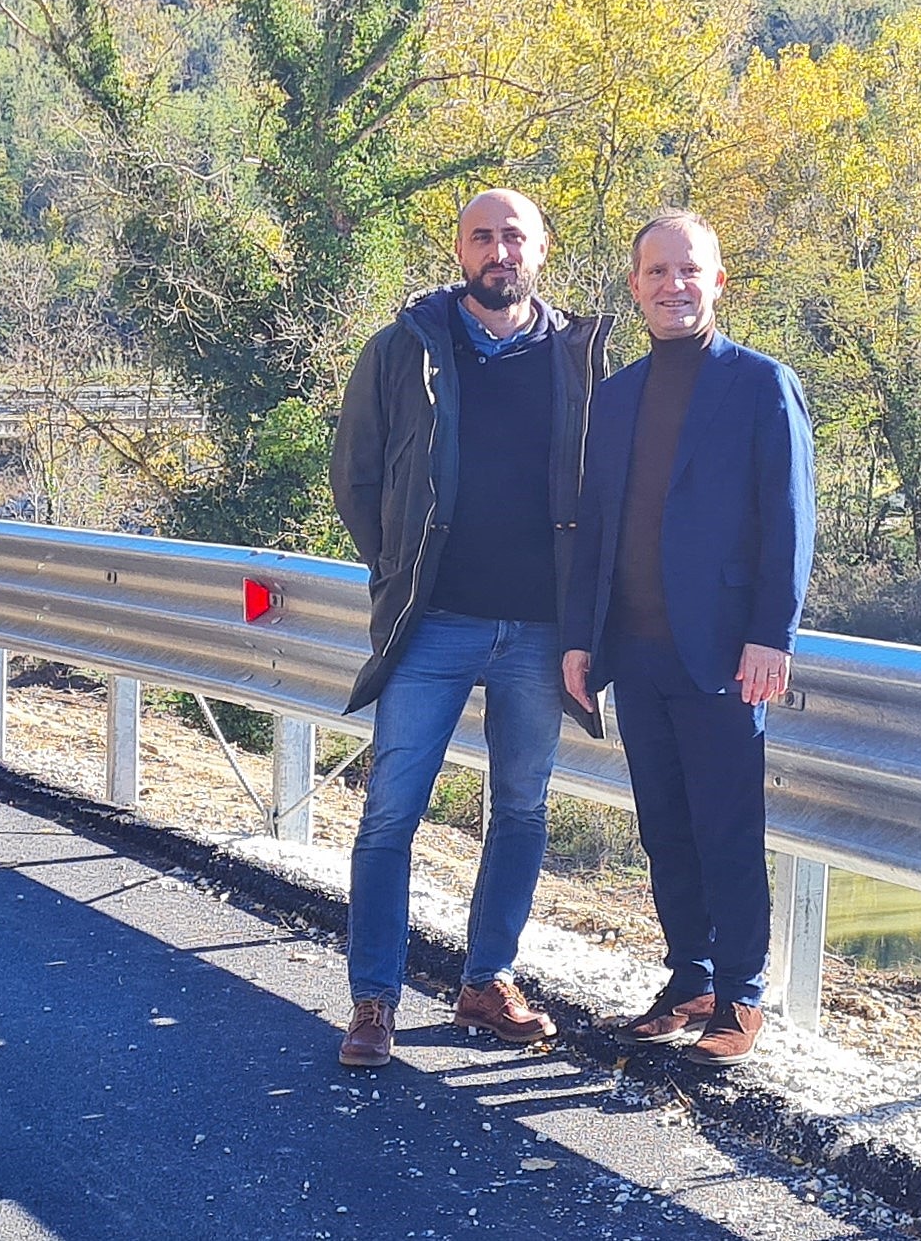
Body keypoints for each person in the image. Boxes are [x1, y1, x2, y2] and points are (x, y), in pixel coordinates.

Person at [329, 189, 611, 1068]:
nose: (499, 251)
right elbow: (356, 477)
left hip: (539, 628)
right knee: (390, 812)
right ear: (459, 249)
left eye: (514, 236)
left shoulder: (578, 360)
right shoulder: (403, 349)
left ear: (541, 249)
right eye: (483, 236)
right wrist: (398, 572)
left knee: (521, 811)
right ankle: (373, 998)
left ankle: (486, 982)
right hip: (433, 624)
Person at [561, 209, 816, 1068]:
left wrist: (770, 635)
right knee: (664, 828)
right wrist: (581, 636)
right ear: (635, 285)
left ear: (718, 281)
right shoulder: (620, 393)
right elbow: (596, 525)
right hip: (635, 653)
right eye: (657, 271)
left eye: (689, 270)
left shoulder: (759, 383)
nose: (674, 285)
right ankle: (691, 979)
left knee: (726, 830)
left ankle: (741, 995)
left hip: (722, 654)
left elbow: (788, 518)